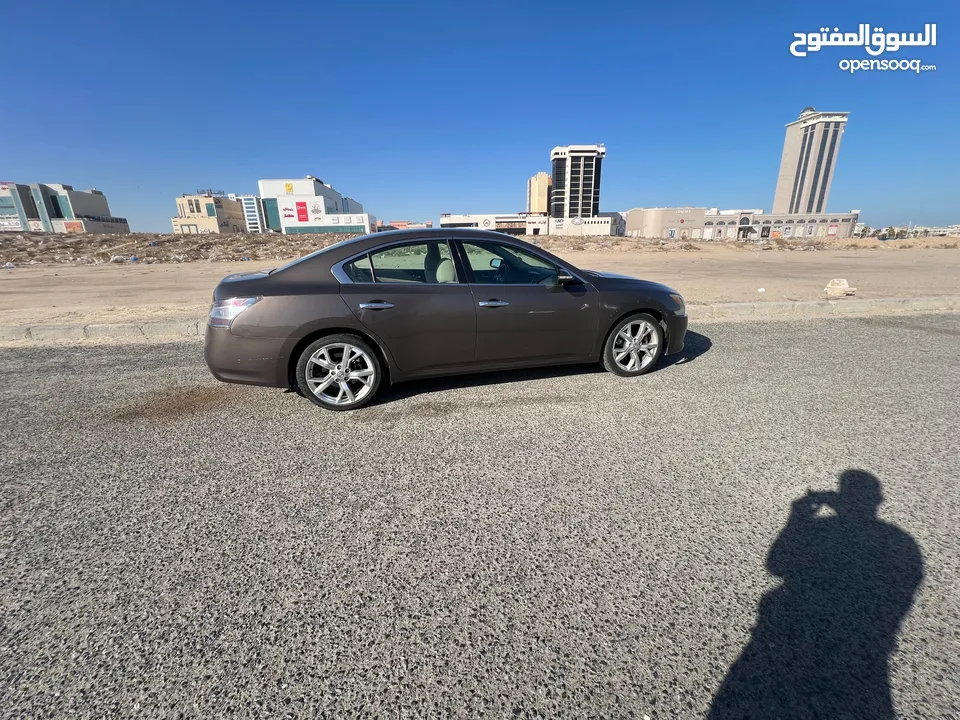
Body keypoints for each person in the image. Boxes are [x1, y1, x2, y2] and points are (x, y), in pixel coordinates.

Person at [709, 470, 924, 719]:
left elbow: (776, 564)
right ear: (878, 500)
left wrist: (798, 517)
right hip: (864, 653)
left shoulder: (822, 529)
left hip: (789, 633)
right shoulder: (902, 543)